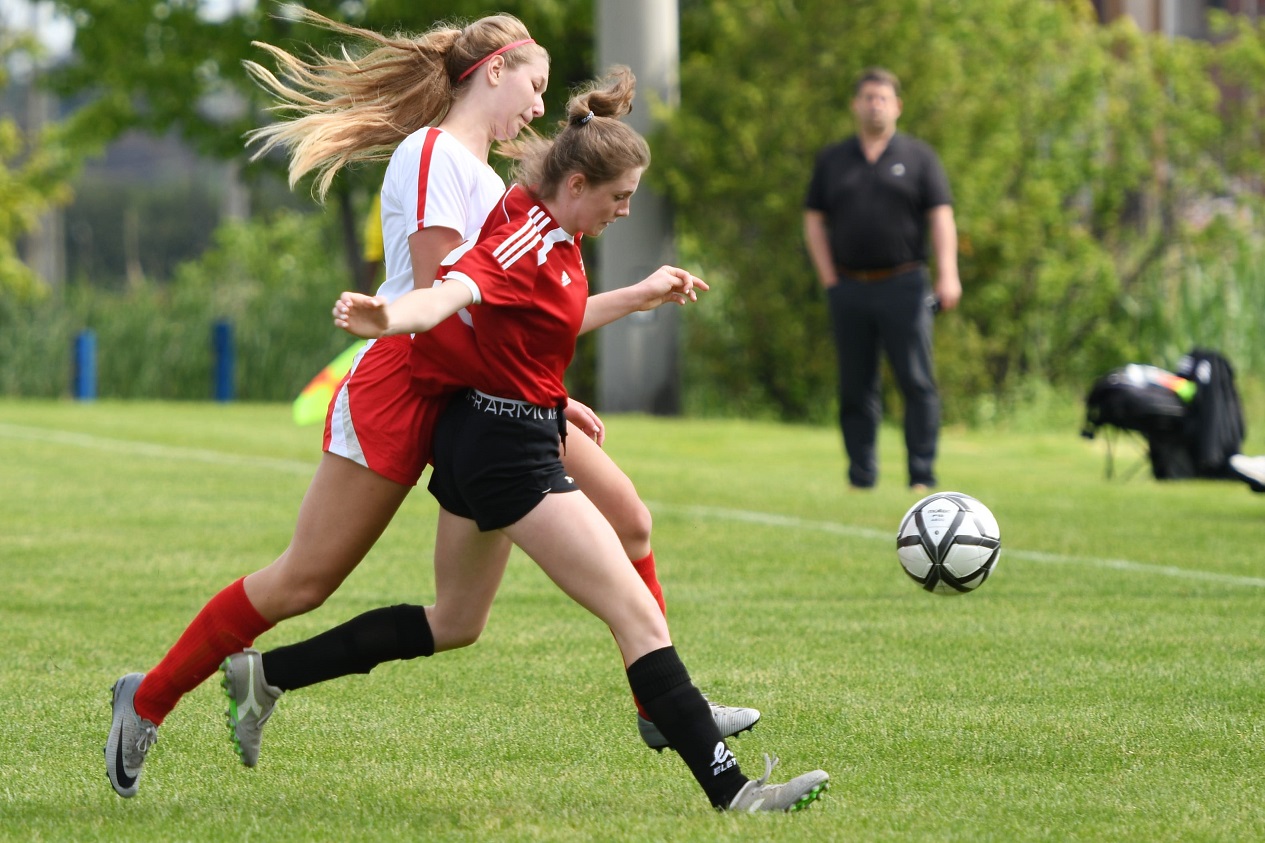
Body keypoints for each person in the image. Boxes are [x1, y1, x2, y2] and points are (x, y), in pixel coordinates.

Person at [104, 11, 753, 800]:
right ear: (493, 71)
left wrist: (558, 381)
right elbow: (445, 299)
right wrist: (541, 386)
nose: (539, 110)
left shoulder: (493, 179)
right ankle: (147, 698)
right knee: (302, 582)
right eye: (534, 86)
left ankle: (663, 704)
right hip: (406, 382)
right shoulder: (430, 155)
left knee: (626, 519)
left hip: (482, 395)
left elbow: (520, 312)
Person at [324, 69, 829, 812]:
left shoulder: (562, 231)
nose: (626, 211)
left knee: (479, 614)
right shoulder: (525, 227)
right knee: (622, 611)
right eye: (620, 197)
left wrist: (632, 302)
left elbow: (534, 332)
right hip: (504, 446)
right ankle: (730, 786)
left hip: (519, 432)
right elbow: (452, 291)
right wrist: (389, 317)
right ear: (581, 182)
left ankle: (271, 673)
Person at [803, 66, 961, 492]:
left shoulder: (919, 157)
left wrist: (949, 274)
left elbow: (941, 217)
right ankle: (861, 477)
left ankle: (921, 476)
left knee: (916, 382)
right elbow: (814, 220)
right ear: (855, 105)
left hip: (905, 284)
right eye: (868, 98)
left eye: (883, 98)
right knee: (855, 386)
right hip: (849, 286)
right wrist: (829, 279)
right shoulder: (834, 159)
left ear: (897, 106)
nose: (875, 105)